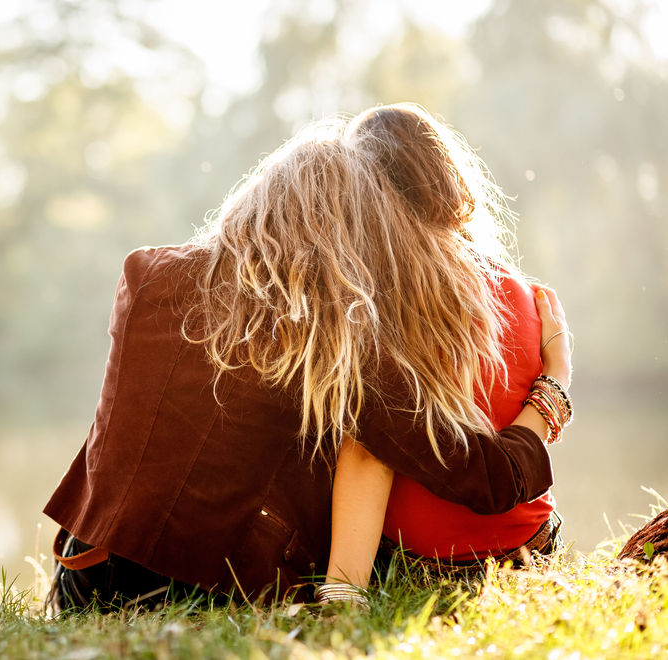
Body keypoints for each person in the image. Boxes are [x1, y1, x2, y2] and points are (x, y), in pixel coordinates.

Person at [43, 110, 572, 611]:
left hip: (85, 576)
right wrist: (555, 382)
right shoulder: (335, 332)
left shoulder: (146, 275)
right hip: (216, 591)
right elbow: (490, 479)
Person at [320, 104, 572, 606]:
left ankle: (344, 590)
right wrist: (560, 374)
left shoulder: (378, 301)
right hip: (529, 550)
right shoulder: (524, 292)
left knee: (357, 427)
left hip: (423, 566)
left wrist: (344, 593)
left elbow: (370, 454)